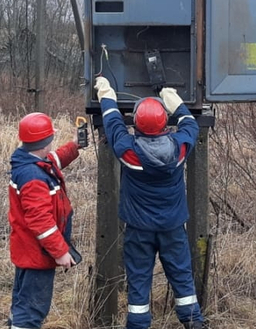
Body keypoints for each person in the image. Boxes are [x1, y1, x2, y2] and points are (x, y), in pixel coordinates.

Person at [94, 76, 204, 329]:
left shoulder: (128, 149)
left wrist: (107, 92)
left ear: (136, 122)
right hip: (173, 228)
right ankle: (194, 323)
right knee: (182, 280)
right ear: (165, 122)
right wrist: (176, 103)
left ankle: (138, 325)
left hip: (138, 230)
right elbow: (190, 125)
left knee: (139, 281)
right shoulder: (179, 148)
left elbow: (112, 122)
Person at [7, 112, 82, 329]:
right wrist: (60, 252)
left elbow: (55, 160)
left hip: (28, 251)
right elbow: (41, 222)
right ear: (45, 142)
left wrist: (75, 146)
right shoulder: (34, 178)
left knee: (23, 303)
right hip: (37, 254)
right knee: (32, 310)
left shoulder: (32, 161)